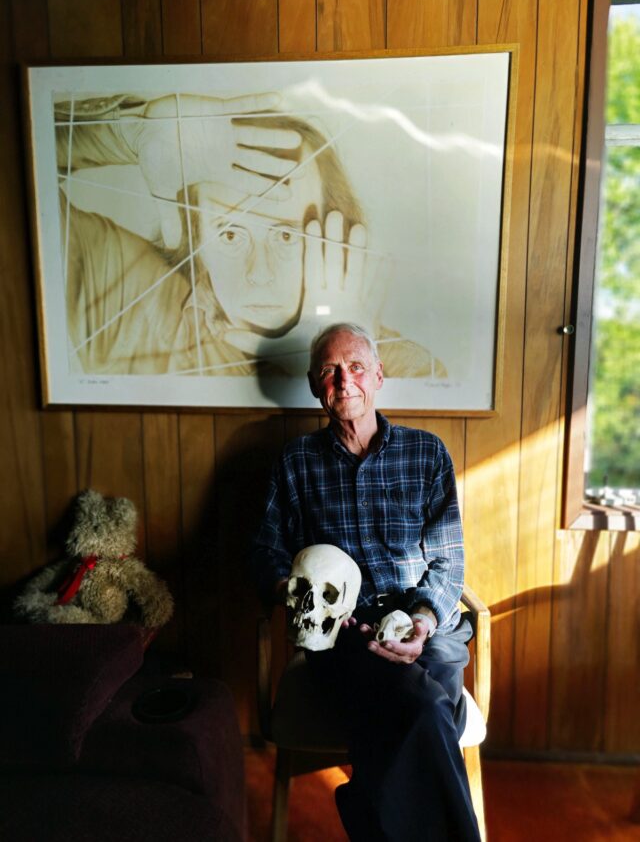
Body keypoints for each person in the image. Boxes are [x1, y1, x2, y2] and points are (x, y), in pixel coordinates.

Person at [251, 321, 480, 841]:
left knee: (419, 695)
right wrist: (291, 592)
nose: (343, 380)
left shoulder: (427, 454)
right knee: (424, 706)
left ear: (378, 375)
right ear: (314, 384)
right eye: (329, 371)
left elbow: (448, 562)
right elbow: (265, 551)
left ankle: (366, 805)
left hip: (426, 628)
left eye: (355, 367)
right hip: (345, 632)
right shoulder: (294, 463)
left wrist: (422, 621)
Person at [56, 92, 446, 378]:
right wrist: (128, 132)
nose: (259, 273)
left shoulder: (407, 370)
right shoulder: (125, 304)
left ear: (335, 235)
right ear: (196, 237)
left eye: (286, 236)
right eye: (229, 234)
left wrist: (342, 360)